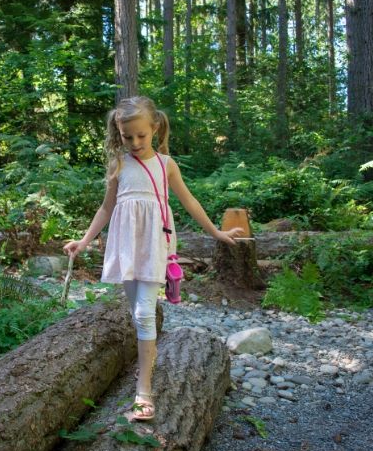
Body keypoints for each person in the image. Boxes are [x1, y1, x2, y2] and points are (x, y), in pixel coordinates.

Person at [63, 96, 242, 422]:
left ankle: (143, 390)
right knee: (137, 311)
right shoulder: (118, 164)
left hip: (154, 242)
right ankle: (147, 354)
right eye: (126, 136)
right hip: (127, 244)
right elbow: (106, 207)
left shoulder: (166, 164)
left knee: (144, 312)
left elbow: (189, 201)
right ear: (118, 132)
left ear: (154, 127)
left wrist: (217, 233)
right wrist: (84, 241)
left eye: (140, 136)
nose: (134, 142)